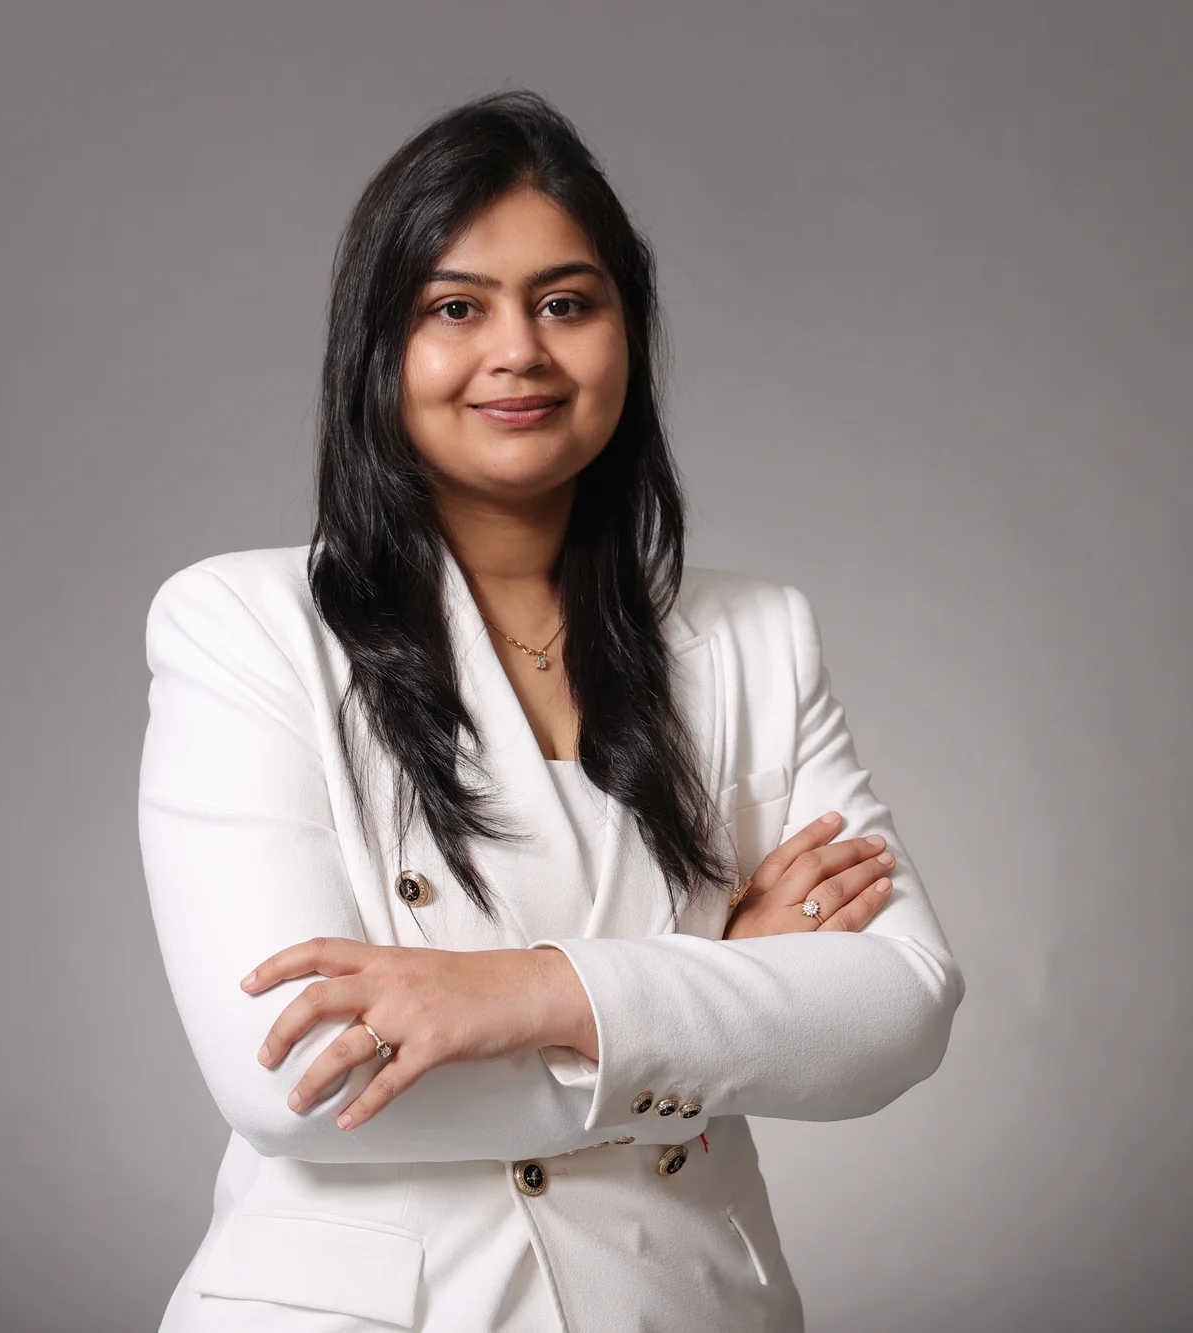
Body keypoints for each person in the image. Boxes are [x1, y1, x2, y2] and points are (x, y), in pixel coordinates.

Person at [138, 87, 964, 1333]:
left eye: (565, 303)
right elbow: (303, 1086)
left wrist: (525, 996)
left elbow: (897, 1007)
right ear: (380, 350)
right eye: (454, 308)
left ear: (625, 336)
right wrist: (721, 991)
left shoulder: (754, 635)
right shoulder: (245, 624)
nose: (517, 349)